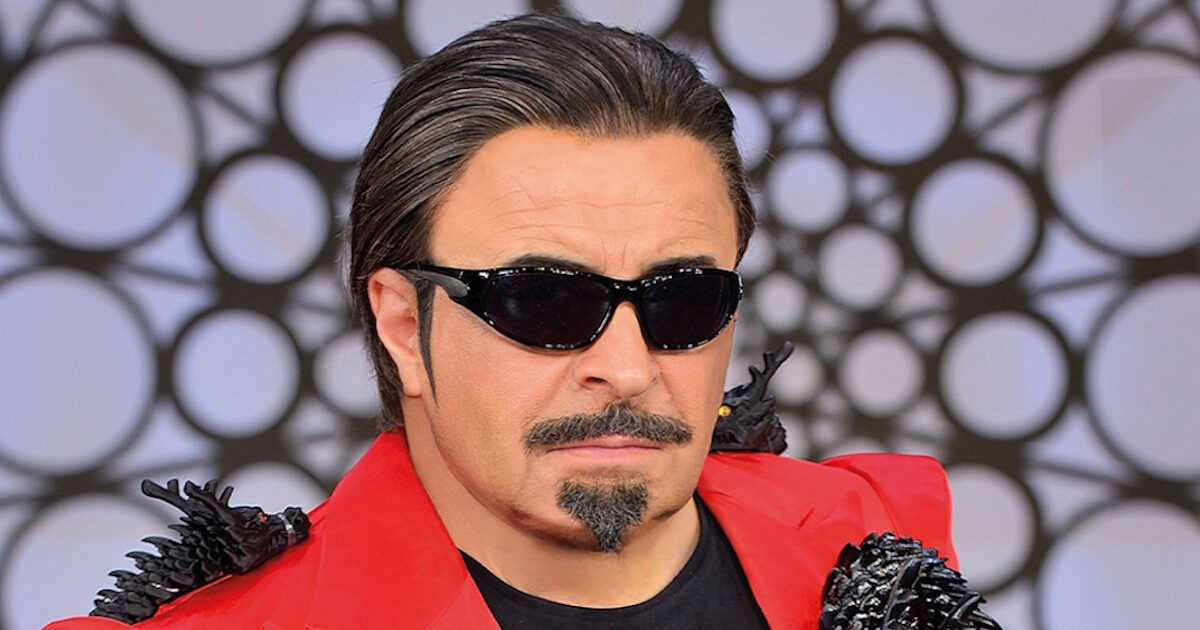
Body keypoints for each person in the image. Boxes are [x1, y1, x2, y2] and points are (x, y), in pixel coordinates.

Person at [47, 13, 956, 629]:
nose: (627, 365)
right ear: (403, 326)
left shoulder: (874, 539)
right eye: (544, 300)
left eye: (681, 298)